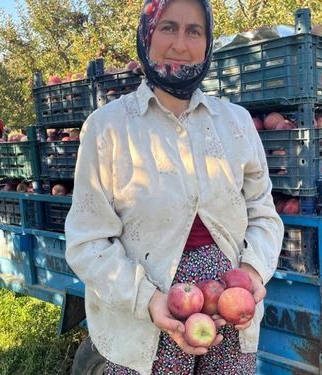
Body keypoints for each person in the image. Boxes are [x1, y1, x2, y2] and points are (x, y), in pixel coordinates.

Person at [64, 0, 283, 373]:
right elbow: (89, 241)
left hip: (229, 312)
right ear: (146, 37)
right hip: (143, 319)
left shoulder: (236, 123)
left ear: (208, 42)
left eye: (194, 31)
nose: (181, 44)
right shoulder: (108, 128)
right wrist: (148, 300)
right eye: (168, 27)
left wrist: (252, 274)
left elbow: (264, 213)